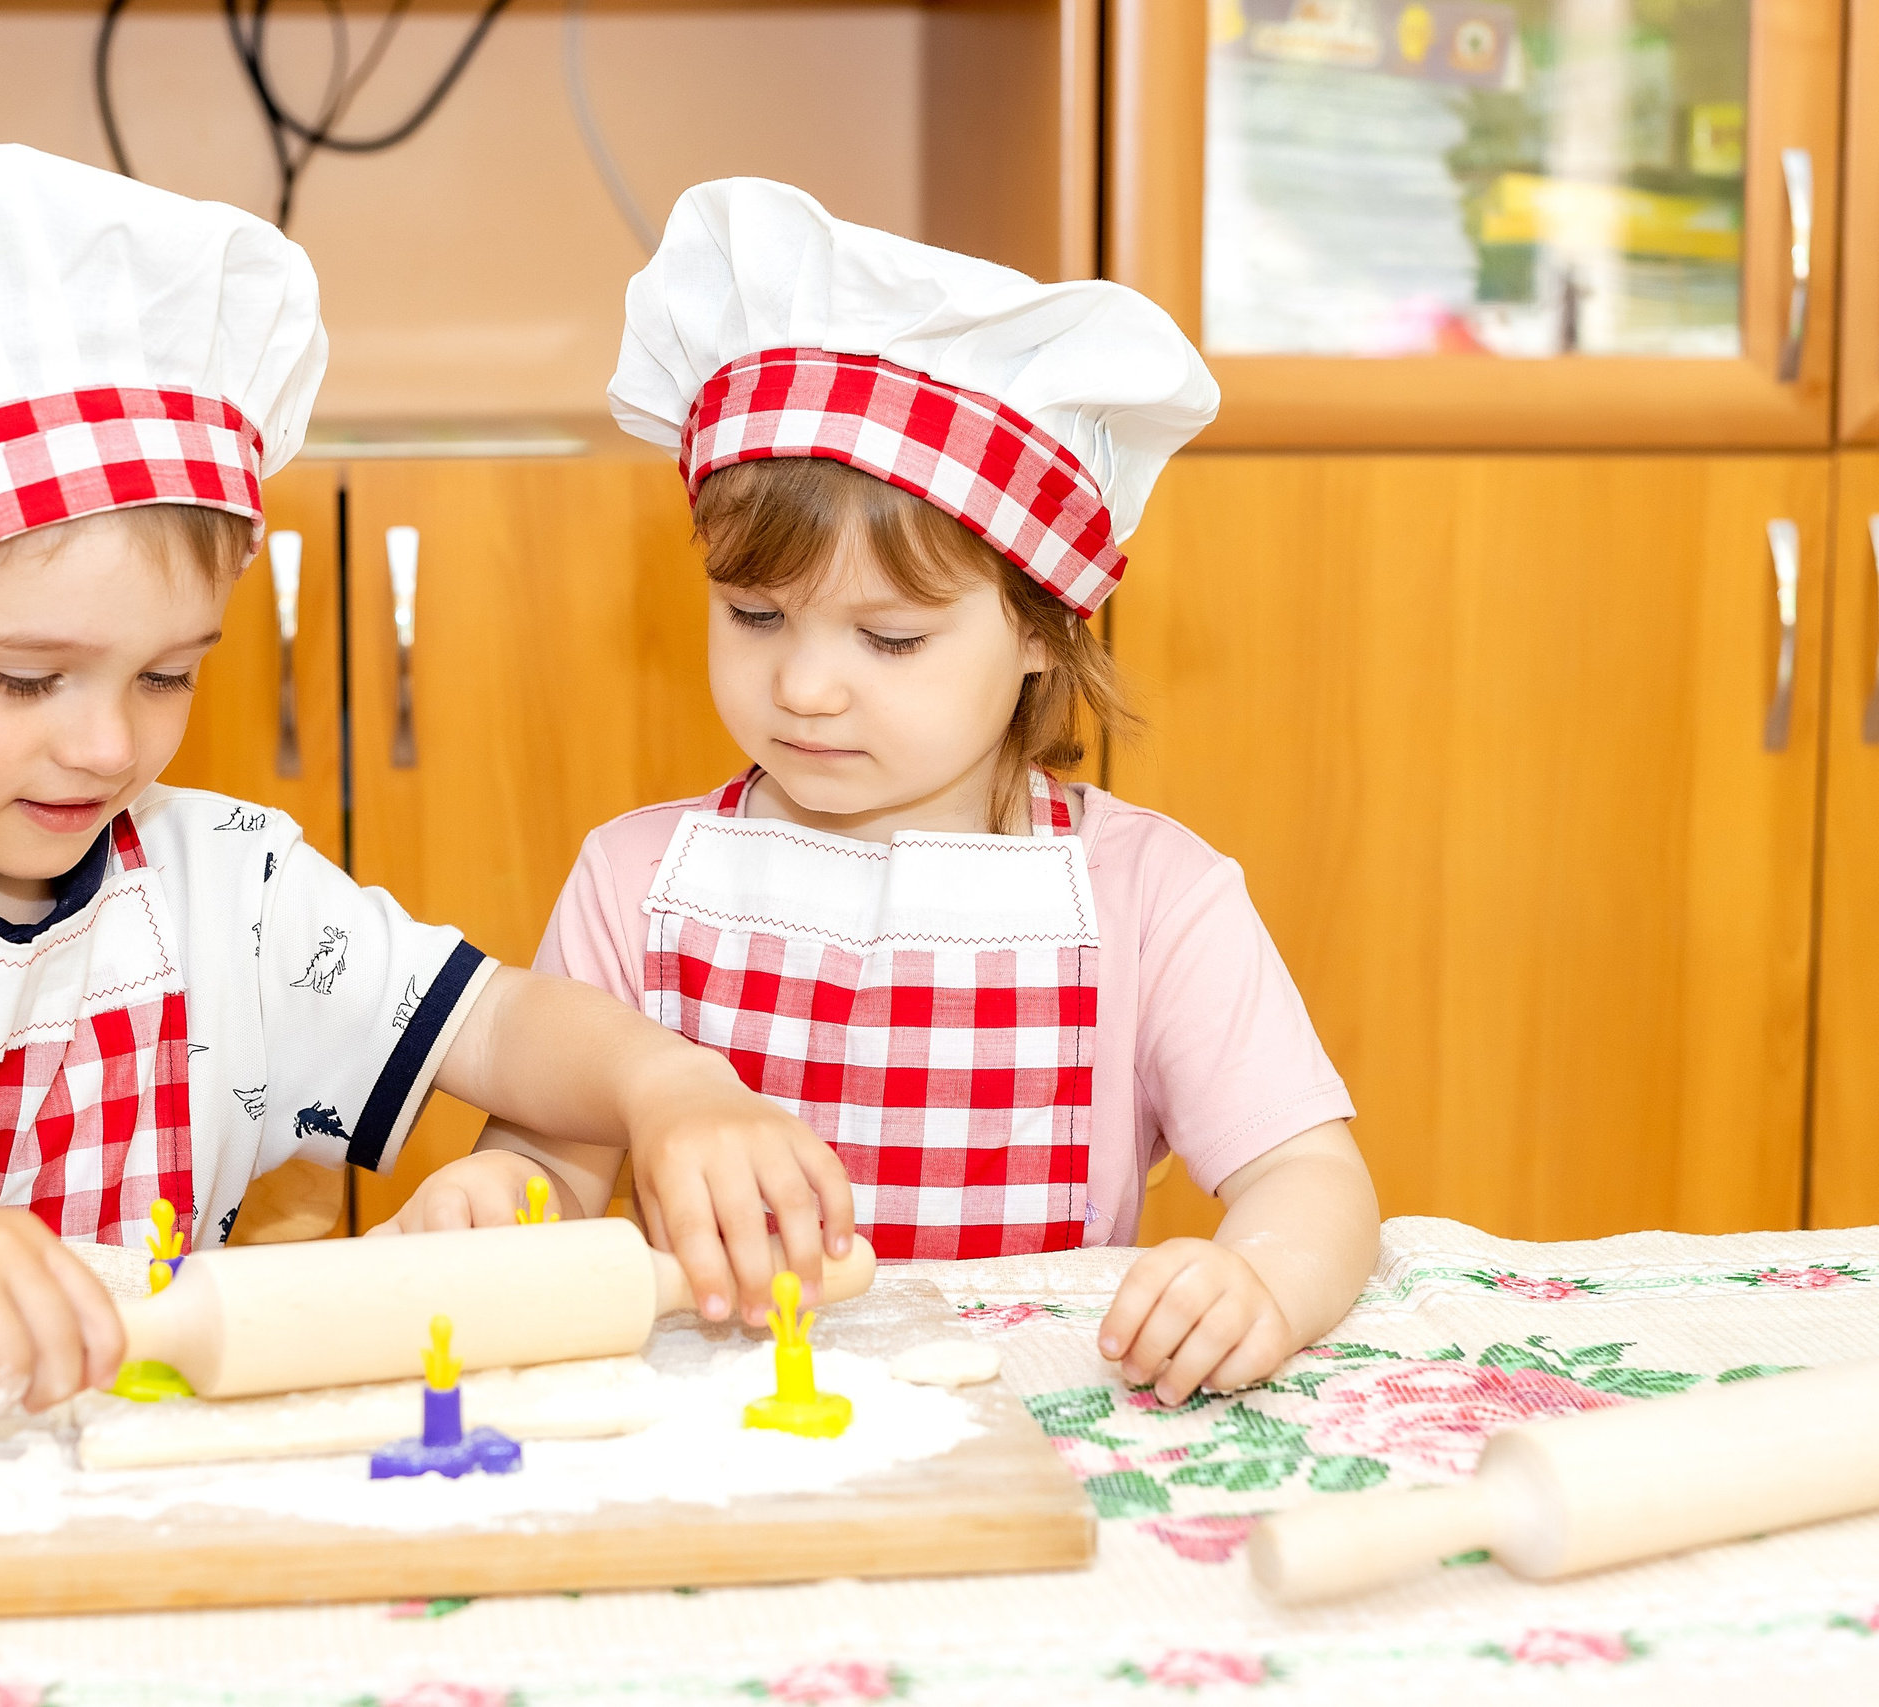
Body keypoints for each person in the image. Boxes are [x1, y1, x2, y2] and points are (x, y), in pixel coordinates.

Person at [0, 148, 851, 1417]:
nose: (107, 746)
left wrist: (673, 1087)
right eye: (29, 679)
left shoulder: (227, 893)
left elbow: (498, 1023)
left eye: (166, 674)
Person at [388, 179, 1379, 1407]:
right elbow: (553, 1161)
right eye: (755, 616)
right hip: (730, 1428)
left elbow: (1308, 1178)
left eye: (890, 638)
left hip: (1033, 1425)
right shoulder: (636, 881)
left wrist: (1261, 1279)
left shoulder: (1152, 896)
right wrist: (500, 1199)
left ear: (1041, 630)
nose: (803, 687)